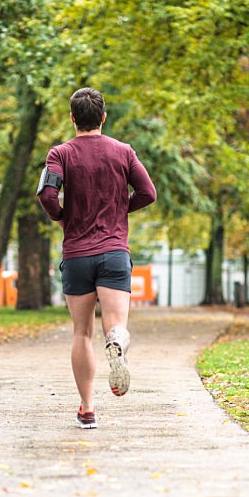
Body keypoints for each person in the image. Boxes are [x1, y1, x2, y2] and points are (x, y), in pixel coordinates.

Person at [37, 87, 157, 429]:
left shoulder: (59, 154)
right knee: (115, 326)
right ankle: (118, 342)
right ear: (103, 117)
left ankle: (87, 408)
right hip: (115, 252)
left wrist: (61, 215)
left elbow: (47, 194)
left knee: (81, 333)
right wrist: (121, 209)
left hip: (76, 254)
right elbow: (148, 193)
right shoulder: (123, 152)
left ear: (73, 118)